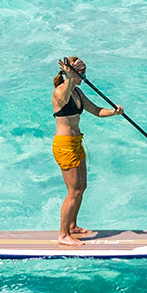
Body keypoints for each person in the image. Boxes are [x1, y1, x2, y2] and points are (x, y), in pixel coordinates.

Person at [52, 56, 124, 246]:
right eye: (81, 73)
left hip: (77, 142)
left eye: (85, 73)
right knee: (73, 190)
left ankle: (73, 226)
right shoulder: (60, 92)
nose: (84, 77)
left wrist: (114, 112)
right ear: (71, 74)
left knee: (82, 187)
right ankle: (63, 235)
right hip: (64, 145)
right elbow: (63, 98)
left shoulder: (78, 92)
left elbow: (96, 110)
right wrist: (68, 77)